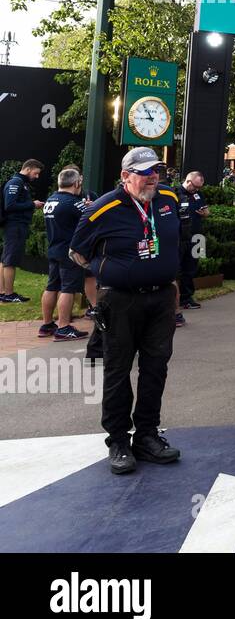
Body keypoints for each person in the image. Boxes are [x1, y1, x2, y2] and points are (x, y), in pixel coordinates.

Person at [68, 148, 183, 475]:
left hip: (161, 299)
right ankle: (118, 439)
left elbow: (175, 241)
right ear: (125, 176)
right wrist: (105, 270)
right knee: (118, 370)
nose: (152, 176)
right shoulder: (104, 207)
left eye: (156, 170)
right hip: (119, 302)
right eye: (145, 171)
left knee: (155, 367)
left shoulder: (168, 199)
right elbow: (76, 251)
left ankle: (147, 434)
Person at [39, 167, 90, 341]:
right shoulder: (73, 202)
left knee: (52, 286)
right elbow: (93, 217)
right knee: (68, 288)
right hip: (69, 251)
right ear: (76, 183)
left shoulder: (51, 200)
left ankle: (46, 324)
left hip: (54, 248)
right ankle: (63, 327)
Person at [1, 159, 43, 303]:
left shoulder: (21, 183)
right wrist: (32, 204)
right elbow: (10, 205)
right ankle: (9, 294)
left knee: (5, 259)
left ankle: (3, 292)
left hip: (15, 225)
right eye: (36, 173)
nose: (37, 177)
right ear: (28, 168)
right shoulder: (16, 183)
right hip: (15, 225)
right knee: (10, 260)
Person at [176, 170, 209, 315]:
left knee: (192, 266)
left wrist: (206, 213)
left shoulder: (198, 194)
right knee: (178, 267)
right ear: (188, 181)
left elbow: (206, 210)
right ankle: (177, 298)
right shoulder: (176, 193)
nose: (196, 190)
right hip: (181, 237)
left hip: (197, 236)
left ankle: (187, 297)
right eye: (195, 187)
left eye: (199, 188)